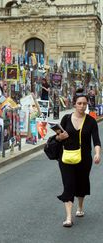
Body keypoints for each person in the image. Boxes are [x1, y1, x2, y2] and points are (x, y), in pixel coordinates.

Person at [55, 89, 101, 227]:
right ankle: (68, 217)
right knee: (68, 185)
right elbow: (57, 137)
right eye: (79, 103)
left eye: (84, 103)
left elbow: (96, 140)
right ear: (74, 104)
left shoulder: (91, 121)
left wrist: (97, 153)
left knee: (81, 183)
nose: (82, 106)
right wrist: (59, 137)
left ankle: (80, 207)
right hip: (66, 158)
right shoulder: (66, 119)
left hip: (84, 159)